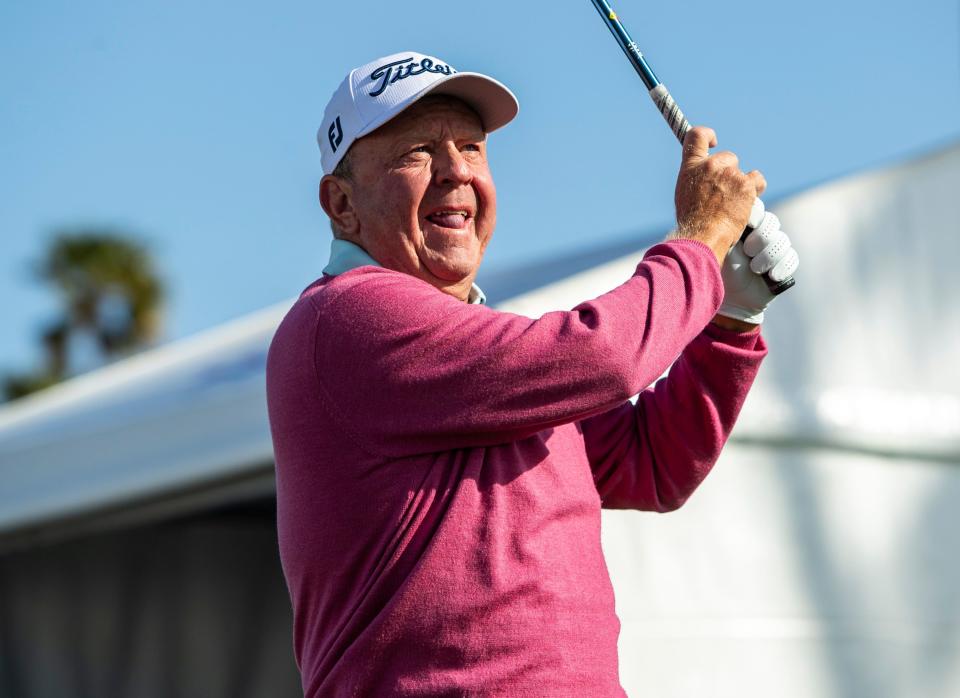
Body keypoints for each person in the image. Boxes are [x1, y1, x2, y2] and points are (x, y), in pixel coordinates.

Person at [265, 51, 798, 697]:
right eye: (416, 152)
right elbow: (606, 357)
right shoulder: (348, 314)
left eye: (471, 147)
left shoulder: (483, 349)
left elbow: (651, 465)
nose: (457, 171)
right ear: (341, 204)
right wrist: (702, 238)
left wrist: (730, 322)